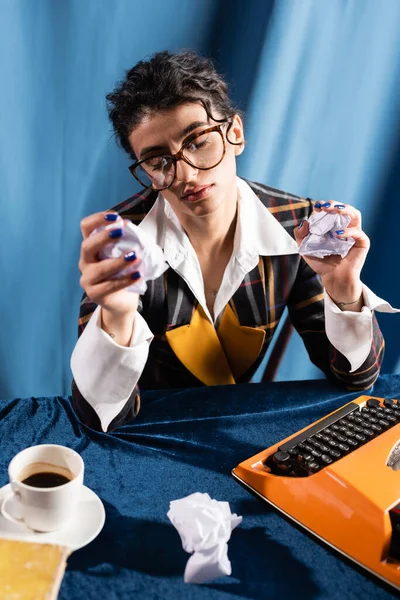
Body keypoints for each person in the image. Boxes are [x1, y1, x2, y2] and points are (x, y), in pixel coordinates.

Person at [71, 50, 395, 433]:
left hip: (243, 431)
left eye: (197, 141)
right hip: (149, 434)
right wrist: (118, 316)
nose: (187, 174)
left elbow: (356, 381)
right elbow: (98, 419)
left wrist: (344, 293)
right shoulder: (120, 244)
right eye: (159, 162)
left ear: (235, 133)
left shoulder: (299, 227)